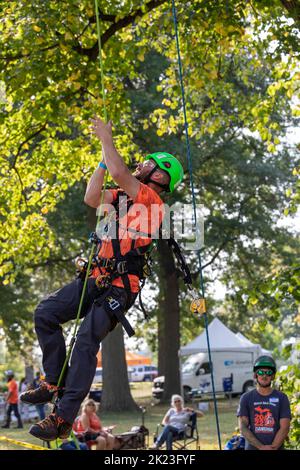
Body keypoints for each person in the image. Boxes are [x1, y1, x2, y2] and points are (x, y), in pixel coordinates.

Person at [20, 116, 184, 441]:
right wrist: (101, 157)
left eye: (148, 164)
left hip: (121, 288)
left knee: (84, 341)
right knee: (46, 313)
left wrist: (108, 140)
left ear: (160, 176)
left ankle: (63, 418)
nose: (141, 164)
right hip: (96, 277)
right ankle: (53, 379)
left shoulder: (153, 202)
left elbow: (122, 173)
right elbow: (92, 197)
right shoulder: (122, 198)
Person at [237, 355, 291, 450]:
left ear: (273, 376)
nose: (264, 376)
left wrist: (272, 448)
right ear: (255, 375)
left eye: (268, 373)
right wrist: (261, 447)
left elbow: (285, 427)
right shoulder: (246, 398)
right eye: (261, 372)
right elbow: (243, 426)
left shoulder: (282, 398)